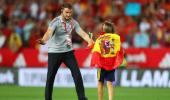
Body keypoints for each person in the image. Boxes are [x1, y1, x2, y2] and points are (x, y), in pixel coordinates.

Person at [38, 3, 94, 100]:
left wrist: (90, 40)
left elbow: (83, 34)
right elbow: (48, 33)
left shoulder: (73, 22)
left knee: (77, 74)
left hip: (68, 52)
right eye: (67, 12)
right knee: (50, 77)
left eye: (70, 12)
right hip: (54, 52)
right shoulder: (55, 22)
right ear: (62, 11)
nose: (68, 14)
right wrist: (43, 40)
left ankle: (82, 98)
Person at [90, 21, 124, 100]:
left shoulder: (100, 38)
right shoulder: (116, 37)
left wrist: (91, 44)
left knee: (100, 83)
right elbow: (118, 49)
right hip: (111, 64)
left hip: (101, 64)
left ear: (103, 29)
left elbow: (96, 50)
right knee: (109, 83)